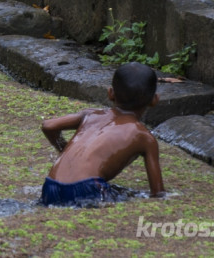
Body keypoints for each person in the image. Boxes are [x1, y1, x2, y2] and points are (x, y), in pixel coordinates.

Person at [39, 62, 165, 206]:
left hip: (50, 186)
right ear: (155, 100)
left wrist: (64, 149)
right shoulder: (145, 137)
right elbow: (158, 193)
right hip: (88, 189)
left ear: (110, 93)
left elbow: (48, 126)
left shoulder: (90, 115)